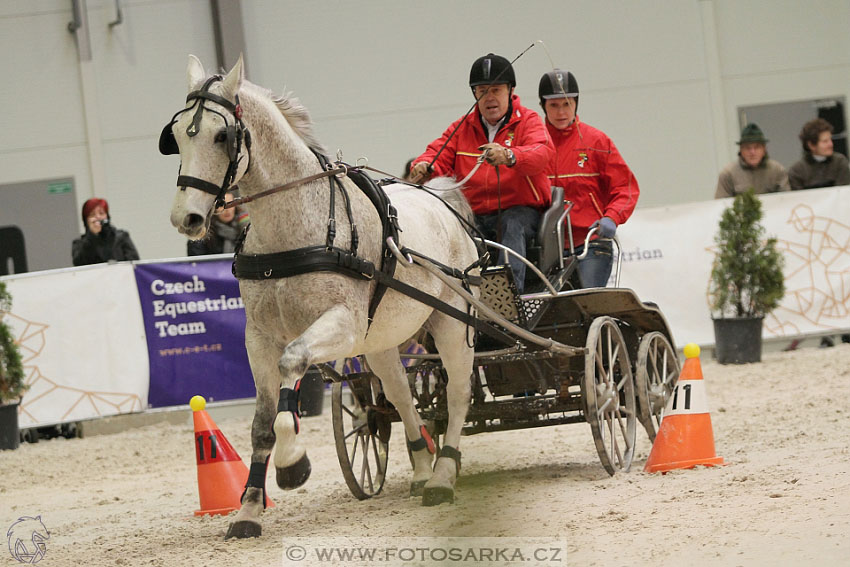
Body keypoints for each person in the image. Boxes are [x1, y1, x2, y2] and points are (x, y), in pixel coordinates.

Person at [409, 53, 554, 292]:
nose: (490, 97)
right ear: (474, 94)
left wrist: (510, 156)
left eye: (496, 90)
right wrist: (425, 165)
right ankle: (453, 291)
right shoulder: (461, 127)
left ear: (510, 90)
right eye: (482, 90)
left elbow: (541, 153)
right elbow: (438, 153)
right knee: (451, 226)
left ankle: (507, 296)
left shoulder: (529, 121)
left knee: (512, 224)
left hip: (520, 210)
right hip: (474, 213)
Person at [538, 69, 639, 288]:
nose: (561, 112)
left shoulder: (597, 142)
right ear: (543, 106)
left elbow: (626, 188)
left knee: (588, 304)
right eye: (553, 105)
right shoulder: (535, 145)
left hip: (591, 243)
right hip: (546, 248)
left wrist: (612, 217)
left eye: (567, 103)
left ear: (576, 103)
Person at [715, 123, 790, 199]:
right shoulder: (728, 174)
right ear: (741, 150)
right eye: (747, 148)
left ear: (764, 149)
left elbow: (786, 201)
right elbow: (721, 205)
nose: (752, 152)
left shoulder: (777, 170)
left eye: (757, 147)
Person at [71, 198, 139, 266]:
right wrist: (92, 236)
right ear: (86, 220)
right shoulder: (79, 243)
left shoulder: (122, 237)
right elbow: (79, 264)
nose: (98, 217)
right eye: (92, 215)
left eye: (101, 213)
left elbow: (135, 263)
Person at [788, 118, 850, 191]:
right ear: (811, 145)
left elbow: (843, 192)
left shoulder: (840, 162)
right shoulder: (797, 171)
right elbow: (798, 198)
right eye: (825, 141)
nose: (831, 144)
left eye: (830, 139)